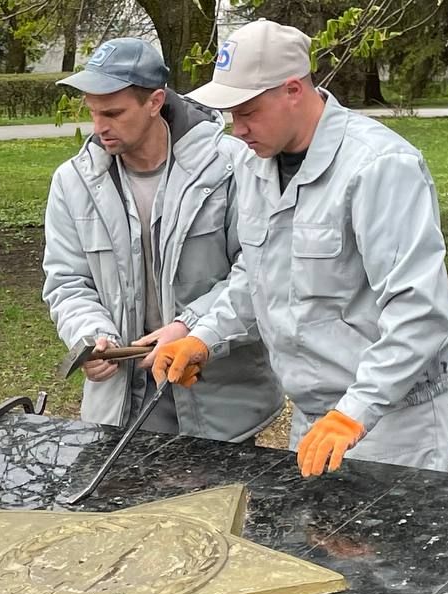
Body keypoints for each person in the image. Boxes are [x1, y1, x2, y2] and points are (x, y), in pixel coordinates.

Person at [152, 19, 448, 475]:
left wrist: (355, 412)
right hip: (315, 418)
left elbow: (420, 313)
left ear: (293, 90)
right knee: (314, 544)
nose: (238, 130)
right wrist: (204, 336)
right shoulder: (258, 165)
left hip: (391, 422)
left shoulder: (379, 167)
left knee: (383, 545)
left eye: (248, 111)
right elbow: (258, 277)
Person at [42, 37, 283, 442]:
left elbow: (258, 272)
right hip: (120, 406)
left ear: (155, 102)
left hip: (219, 403)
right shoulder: (73, 181)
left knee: (218, 506)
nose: (100, 127)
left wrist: (189, 328)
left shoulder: (231, 166)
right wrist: (91, 336)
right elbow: (67, 281)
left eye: (114, 113)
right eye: (93, 112)